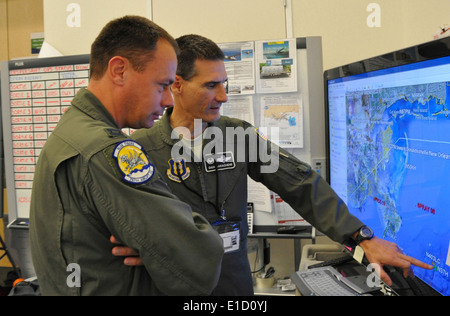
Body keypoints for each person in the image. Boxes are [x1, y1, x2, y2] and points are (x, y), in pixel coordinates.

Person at [114, 34, 432, 295]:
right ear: (177, 85)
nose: (223, 96)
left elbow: (301, 183)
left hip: (233, 288)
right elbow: (114, 222)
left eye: (224, 83)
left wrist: (360, 236)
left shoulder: (238, 136)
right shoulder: (139, 150)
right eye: (211, 85)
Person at [29, 17, 224, 296]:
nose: (169, 100)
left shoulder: (69, 133)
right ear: (119, 70)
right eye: (162, 85)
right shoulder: (106, 150)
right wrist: (164, 251)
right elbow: (198, 254)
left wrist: (156, 250)